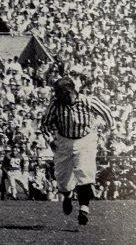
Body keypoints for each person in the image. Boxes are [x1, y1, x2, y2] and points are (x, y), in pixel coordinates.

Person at [40, 75, 115, 226]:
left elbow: (107, 113)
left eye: (59, 93)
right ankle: (67, 196)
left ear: (68, 92)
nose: (56, 96)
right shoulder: (55, 104)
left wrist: (109, 131)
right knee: (62, 179)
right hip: (64, 141)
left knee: (84, 173)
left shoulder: (88, 101)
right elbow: (45, 124)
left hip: (85, 140)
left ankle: (83, 209)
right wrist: (50, 140)